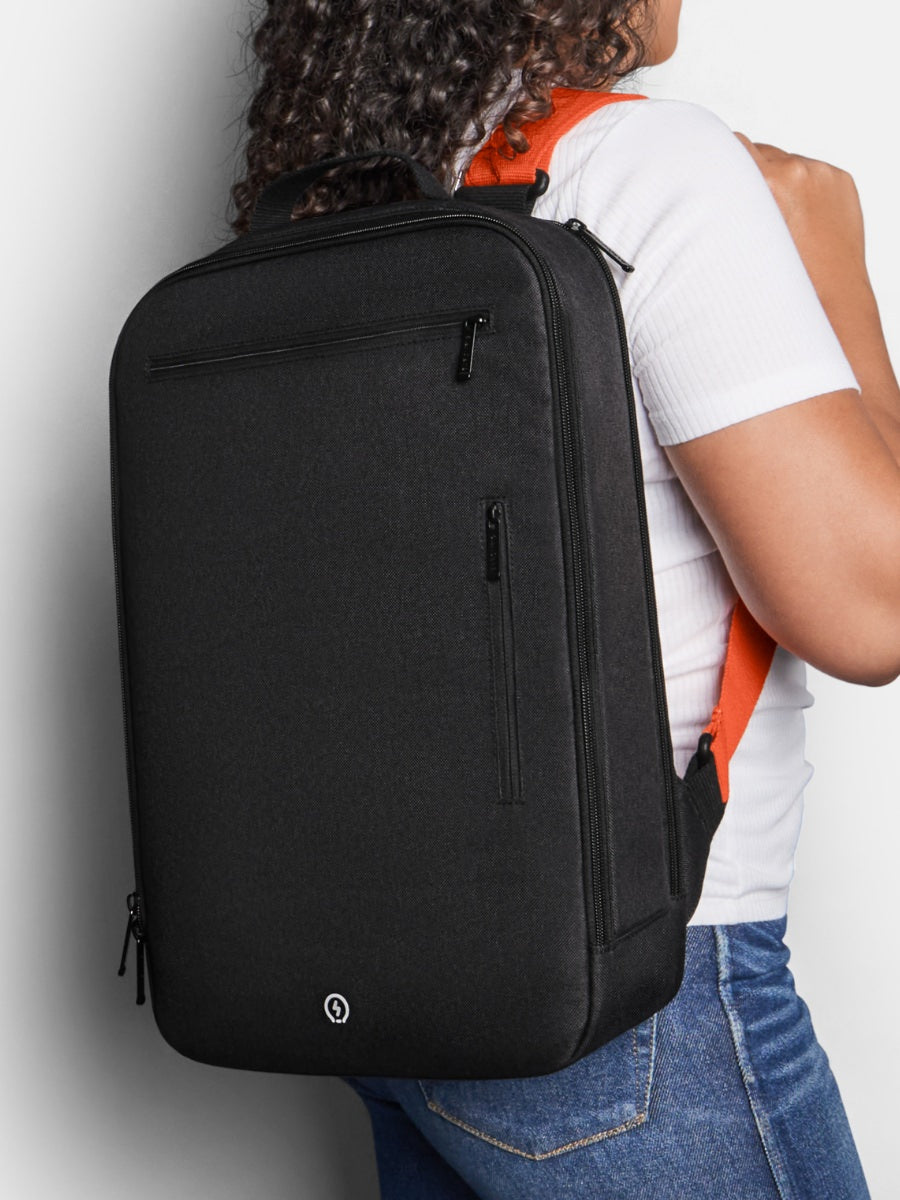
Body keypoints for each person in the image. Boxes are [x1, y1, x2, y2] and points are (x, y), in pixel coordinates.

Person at [229, 2, 900, 1196]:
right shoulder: (642, 167)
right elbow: (871, 610)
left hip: (385, 985)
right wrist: (839, 274)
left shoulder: (350, 204)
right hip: (634, 1001)